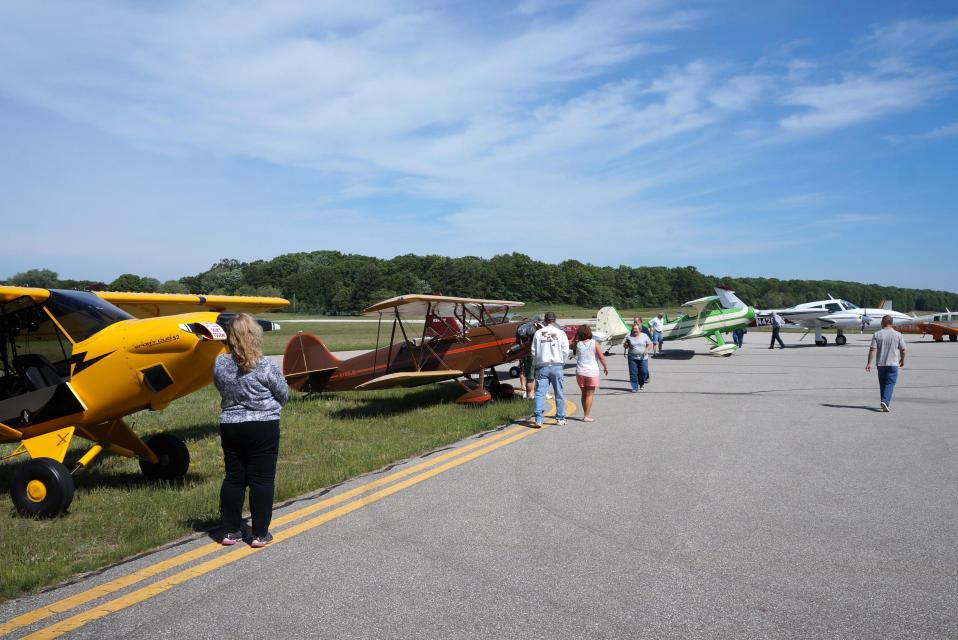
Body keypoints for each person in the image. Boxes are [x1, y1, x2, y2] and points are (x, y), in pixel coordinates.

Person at [213, 313, 289, 548]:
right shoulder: (265, 365)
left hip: (231, 425)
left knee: (234, 478)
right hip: (262, 425)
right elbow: (283, 394)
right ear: (254, 335)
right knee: (262, 480)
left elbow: (220, 388)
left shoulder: (219, 363)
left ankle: (231, 531)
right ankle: (259, 534)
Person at [531, 311, 569, 426]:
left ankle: (538, 418)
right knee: (559, 393)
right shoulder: (561, 333)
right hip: (557, 365)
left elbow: (533, 351)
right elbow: (565, 350)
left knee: (540, 393)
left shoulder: (538, 333)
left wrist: (538, 362)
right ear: (555, 320)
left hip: (542, 366)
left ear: (545, 320)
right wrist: (562, 363)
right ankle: (560, 418)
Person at [865, 315, 907, 412]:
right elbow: (903, 350)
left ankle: (883, 401)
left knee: (883, 383)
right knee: (890, 383)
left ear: (883, 322)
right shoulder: (898, 335)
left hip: (881, 363)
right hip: (893, 363)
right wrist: (902, 360)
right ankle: (885, 401)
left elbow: (872, 349)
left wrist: (869, 363)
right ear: (891, 323)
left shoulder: (877, 334)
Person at [574, 325, 609, 422]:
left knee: (583, 394)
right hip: (591, 371)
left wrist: (577, 337)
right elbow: (601, 357)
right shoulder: (595, 343)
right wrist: (605, 366)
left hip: (580, 371)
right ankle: (586, 415)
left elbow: (575, 350)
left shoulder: (578, 344)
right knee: (589, 395)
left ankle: (585, 413)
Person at [517, 315, 543, 398]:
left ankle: (530, 394)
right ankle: (530, 394)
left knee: (531, 377)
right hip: (534, 355)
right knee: (532, 377)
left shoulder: (525, 329)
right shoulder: (535, 330)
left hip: (530, 355)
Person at [624, 323, 653, 392]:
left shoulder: (644, 336)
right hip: (632, 358)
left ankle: (641, 383)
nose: (634, 330)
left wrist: (646, 350)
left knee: (644, 372)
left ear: (639, 329)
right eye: (633, 329)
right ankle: (634, 387)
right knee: (633, 373)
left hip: (643, 358)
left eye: (636, 329)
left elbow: (649, 344)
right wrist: (625, 345)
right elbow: (626, 346)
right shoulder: (629, 337)